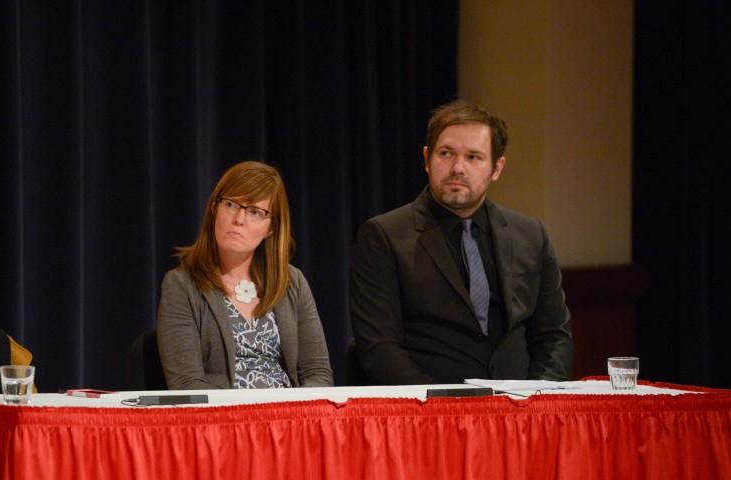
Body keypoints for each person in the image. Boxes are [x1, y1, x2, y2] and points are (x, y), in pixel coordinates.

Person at [350, 99, 573, 384]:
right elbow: (379, 348)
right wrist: (440, 408)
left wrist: (538, 400)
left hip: (519, 412)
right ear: (427, 159)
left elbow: (554, 336)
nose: (458, 167)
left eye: (473, 157)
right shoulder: (384, 235)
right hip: (427, 413)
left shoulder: (530, 235)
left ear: (497, 167)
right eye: (446, 153)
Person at [157, 161, 333, 390]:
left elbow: (317, 373)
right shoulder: (182, 285)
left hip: (289, 419)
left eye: (255, 212)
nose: (239, 219)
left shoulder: (291, 281)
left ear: (271, 228)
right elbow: (187, 385)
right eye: (231, 204)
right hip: (222, 420)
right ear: (214, 209)